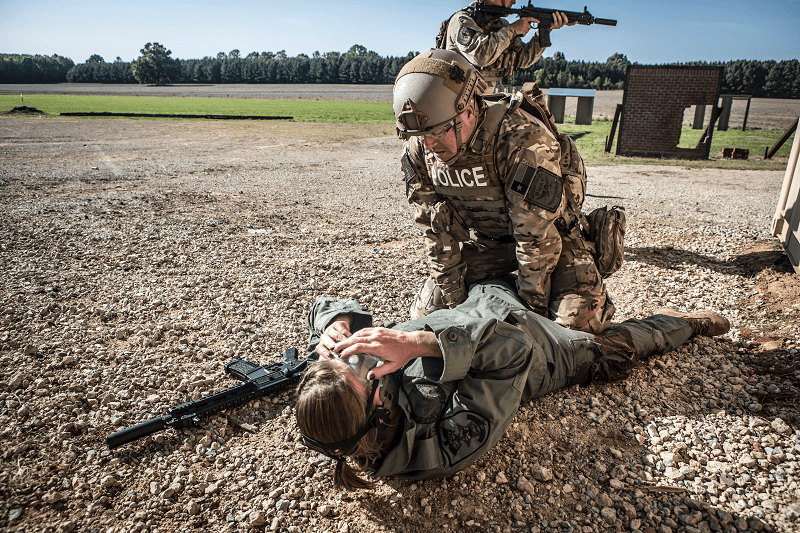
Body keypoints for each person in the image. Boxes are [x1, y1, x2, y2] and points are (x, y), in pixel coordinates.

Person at [296, 277, 730, 489]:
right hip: (544, 343)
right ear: (379, 406)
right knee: (618, 347)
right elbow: (514, 351)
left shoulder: (347, 403)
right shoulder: (439, 442)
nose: (357, 354)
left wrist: (334, 325)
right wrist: (418, 342)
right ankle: (690, 324)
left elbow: (322, 304)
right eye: (355, 365)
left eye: (339, 356)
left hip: (482, 298)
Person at [395, 48, 612, 333]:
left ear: (469, 110)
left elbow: (536, 239)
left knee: (575, 327)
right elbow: (435, 234)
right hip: (491, 245)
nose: (429, 146)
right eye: (419, 137)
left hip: (554, 244)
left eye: (437, 133)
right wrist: (456, 308)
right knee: (425, 320)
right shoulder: (420, 150)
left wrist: (528, 320)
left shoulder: (521, 138)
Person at [435, 0, 575, 93]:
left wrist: (544, 30)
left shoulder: (500, 26)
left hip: (483, 103)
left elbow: (523, 59)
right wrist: (512, 30)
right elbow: (481, 56)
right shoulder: (462, 20)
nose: (514, 1)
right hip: (454, 102)